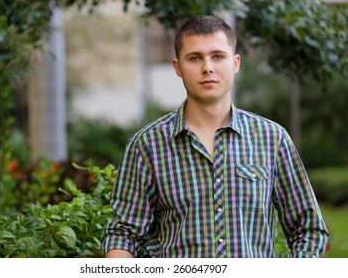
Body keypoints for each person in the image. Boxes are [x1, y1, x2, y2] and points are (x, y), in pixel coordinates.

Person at [102, 15, 329, 258]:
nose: (207, 67)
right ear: (178, 67)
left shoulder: (272, 139)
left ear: (235, 63)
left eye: (218, 56)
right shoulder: (147, 145)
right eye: (195, 58)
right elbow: (124, 233)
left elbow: (309, 229)